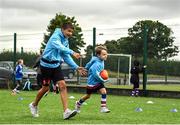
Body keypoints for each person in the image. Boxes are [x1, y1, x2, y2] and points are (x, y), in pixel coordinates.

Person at [29, 22, 86, 120]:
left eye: (71, 32)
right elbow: (59, 47)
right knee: (45, 88)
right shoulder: (55, 37)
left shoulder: (66, 40)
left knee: (63, 85)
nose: (70, 34)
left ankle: (66, 112)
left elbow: (65, 55)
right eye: (69, 31)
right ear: (62, 29)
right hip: (45, 66)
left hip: (56, 65)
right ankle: (34, 105)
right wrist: (72, 52)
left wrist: (76, 67)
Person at [75, 45, 110, 114]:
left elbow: (89, 63)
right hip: (92, 82)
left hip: (98, 82)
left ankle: (103, 107)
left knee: (104, 92)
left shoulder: (100, 60)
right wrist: (103, 80)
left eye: (106, 54)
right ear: (98, 55)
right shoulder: (97, 64)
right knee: (88, 96)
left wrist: (86, 68)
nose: (105, 56)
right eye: (103, 54)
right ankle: (78, 103)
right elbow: (95, 74)